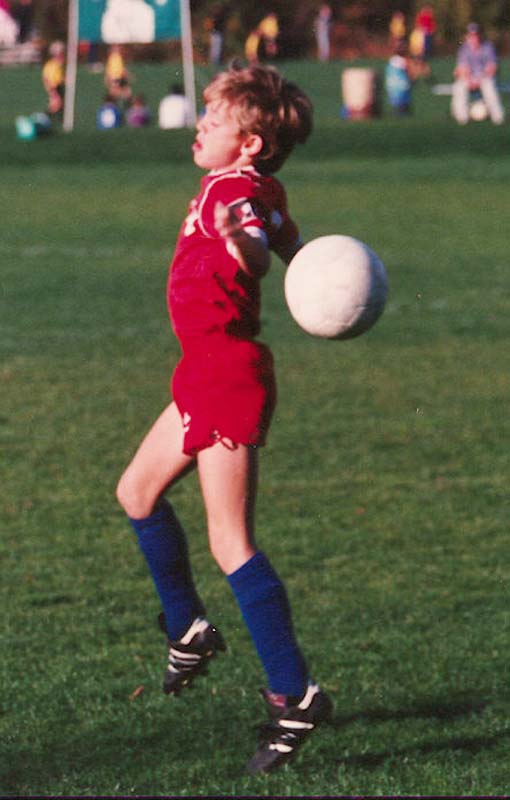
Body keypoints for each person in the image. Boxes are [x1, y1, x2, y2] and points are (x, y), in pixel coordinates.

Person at [116, 63, 332, 776]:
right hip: (204, 370)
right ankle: (187, 629)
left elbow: (257, 247)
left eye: (214, 119)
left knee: (230, 541)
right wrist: (322, 271)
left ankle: (294, 695)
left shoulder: (233, 192)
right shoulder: (254, 188)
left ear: (249, 144)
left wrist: (247, 247)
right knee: (137, 493)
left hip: (225, 375)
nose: (199, 124)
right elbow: (290, 243)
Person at [451, 23, 505, 126]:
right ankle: (462, 118)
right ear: (467, 36)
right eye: (471, 35)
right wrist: (469, 80)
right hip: (469, 78)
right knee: (459, 86)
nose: (474, 38)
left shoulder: (488, 47)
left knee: (489, 86)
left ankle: (498, 117)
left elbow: (492, 67)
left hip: (484, 77)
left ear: (480, 35)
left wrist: (479, 80)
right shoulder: (464, 49)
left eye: (476, 35)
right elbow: (462, 68)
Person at [385, 42, 414, 115]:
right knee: (403, 107)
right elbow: (410, 71)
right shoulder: (404, 61)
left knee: (397, 107)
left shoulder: (391, 60)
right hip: (402, 86)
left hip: (392, 86)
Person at [42, 40, 65, 117]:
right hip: (54, 88)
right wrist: (53, 92)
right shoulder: (51, 66)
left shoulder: (58, 66)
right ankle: (44, 117)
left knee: (57, 105)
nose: (62, 56)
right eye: (60, 54)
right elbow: (47, 79)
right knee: (56, 105)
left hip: (58, 88)